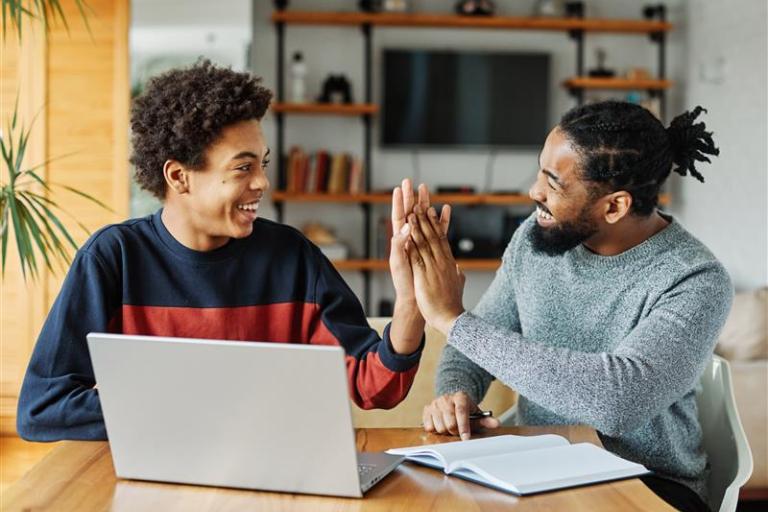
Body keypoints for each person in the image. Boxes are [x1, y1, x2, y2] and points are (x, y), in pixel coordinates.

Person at [16, 60, 446, 442]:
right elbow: (43, 409)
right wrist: (178, 411)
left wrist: (410, 305)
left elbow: (375, 385)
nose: (262, 183)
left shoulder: (292, 258)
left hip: (275, 476)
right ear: (179, 177)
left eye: (263, 163)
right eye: (243, 167)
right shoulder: (113, 259)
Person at [407, 101, 729, 512]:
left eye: (553, 183)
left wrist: (454, 321)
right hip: (539, 475)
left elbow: (618, 402)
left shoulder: (695, 279)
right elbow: (473, 350)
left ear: (614, 206)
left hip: (650, 484)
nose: (533, 192)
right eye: (540, 171)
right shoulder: (533, 240)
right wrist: (456, 394)